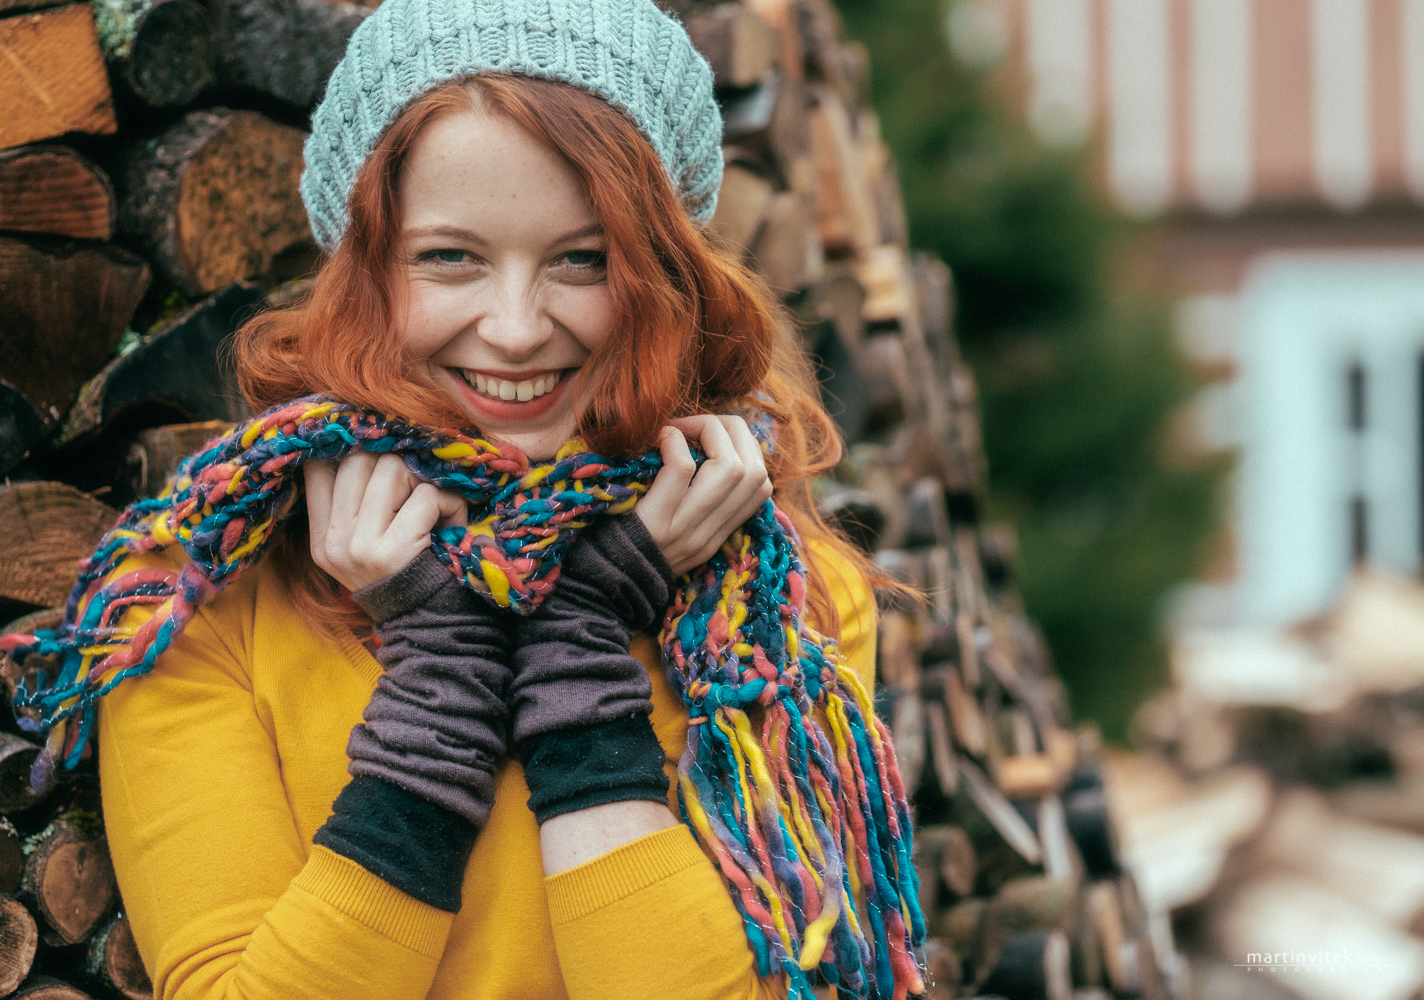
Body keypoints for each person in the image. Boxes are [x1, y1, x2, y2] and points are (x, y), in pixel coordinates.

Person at [46, 1, 926, 997]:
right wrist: (441, 683)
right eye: (450, 256)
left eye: (582, 259)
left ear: (665, 276)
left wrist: (581, 646)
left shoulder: (779, 603)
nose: (514, 330)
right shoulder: (198, 600)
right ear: (364, 272)